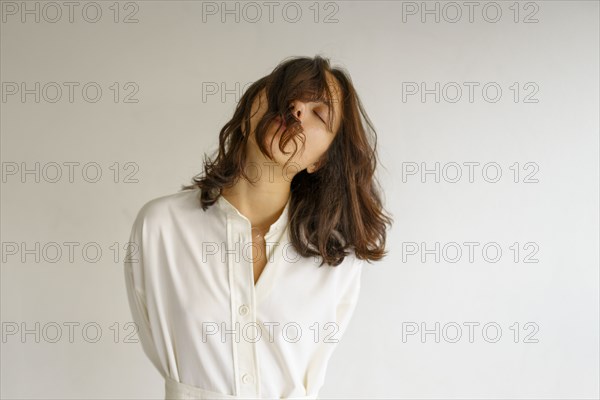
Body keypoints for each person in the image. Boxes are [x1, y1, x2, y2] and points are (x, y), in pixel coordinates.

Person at [124, 55, 393, 399]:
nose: (296, 109)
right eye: (288, 93)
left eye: (318, 113)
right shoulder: (160, 228)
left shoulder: (337, 256)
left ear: (320, 160)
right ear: (253, 103)